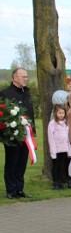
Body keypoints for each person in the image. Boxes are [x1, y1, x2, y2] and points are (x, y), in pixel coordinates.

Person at [1, 68, 35, 199]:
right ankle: (11, 190)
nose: (26, 79)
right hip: (12, 134)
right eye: (23, 77)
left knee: (21, 163)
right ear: (15, 78)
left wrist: (32, 131)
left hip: (26, 135)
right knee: (12, 162)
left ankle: (19, 189)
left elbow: (30, 112)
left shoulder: (26, 92)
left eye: (26, 77)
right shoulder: (5, 93)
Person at [48, 104, 71, 190]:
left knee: (62, 165)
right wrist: (53, 151)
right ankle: (55, 182)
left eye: (63, 113)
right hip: (56, 149)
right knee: (56, 166)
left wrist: (69, 150)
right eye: (59, 113)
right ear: (55, 113)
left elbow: (67, 138)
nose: (61, 115)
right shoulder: (52, 124)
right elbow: (51, 138)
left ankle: (61, 181)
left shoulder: (65, 123)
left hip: (64, 148)